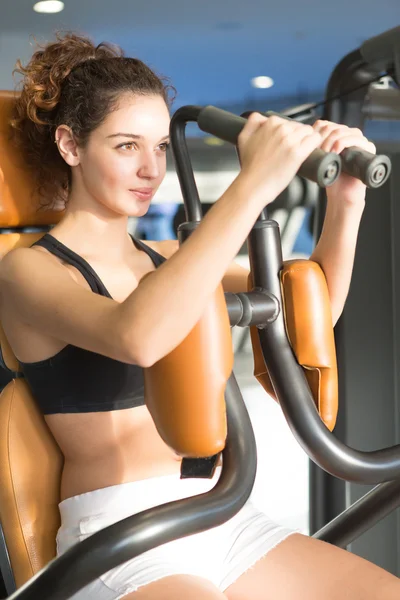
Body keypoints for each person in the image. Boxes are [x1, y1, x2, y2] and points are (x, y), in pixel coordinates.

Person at [0, 32, 398, 600]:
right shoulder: (28, 273)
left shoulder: (168, 260)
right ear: (70, 145)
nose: (150, 168)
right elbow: (138, 336)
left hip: (222, 514)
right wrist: (252, 184)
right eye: (126, 146)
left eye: (161, 146)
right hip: (121, 532)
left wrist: (347, 201)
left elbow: (311, 312)